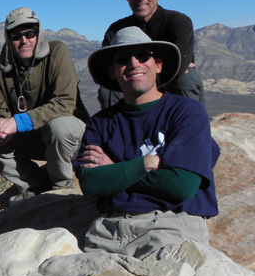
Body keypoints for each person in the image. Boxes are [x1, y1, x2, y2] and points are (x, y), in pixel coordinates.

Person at [77, 26, 219, 257]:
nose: (134, 64)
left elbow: (182, 184)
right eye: (123, 59)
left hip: (170, 225)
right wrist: (150, 162)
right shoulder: (100, 122)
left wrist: (114, 170)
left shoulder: (187, 113)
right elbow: (91, 183)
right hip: (108, 230)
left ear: (158, 65)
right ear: (113, 71)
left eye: (143, 56)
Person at [0, 7, 89, 204]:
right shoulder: (0, 66)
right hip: (36, 135)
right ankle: (34, 184)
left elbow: (64, 104)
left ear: (38, 33)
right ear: (8, 38)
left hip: (70, 138)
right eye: (16, 36)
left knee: (58, 126)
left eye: (30, 33)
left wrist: (18, 122)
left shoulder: (57, 52)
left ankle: (61, 187)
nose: (24, 40)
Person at [98, 0, 204, 109]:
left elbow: (180, 66)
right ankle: (117, 128)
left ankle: (189, 124)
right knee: (108, 90)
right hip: (132, 83)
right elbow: (105, 67)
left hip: (166, 84)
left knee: (186, 80)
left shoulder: (178, 22)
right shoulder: (117, 29)